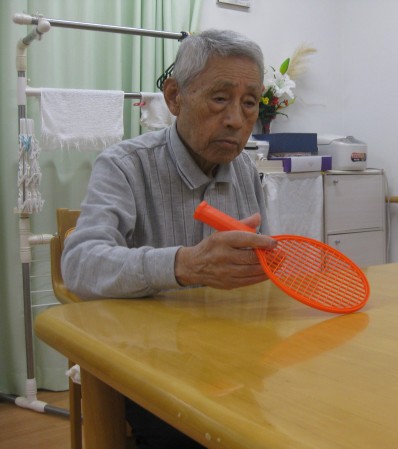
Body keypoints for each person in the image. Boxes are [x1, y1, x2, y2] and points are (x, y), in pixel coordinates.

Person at [61, 29, 276, 449]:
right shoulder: (124, 166)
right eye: (220, 98)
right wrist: (183, 265)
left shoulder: (245, 170)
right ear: (175, 97)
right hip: (149, 365)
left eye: (249, 102)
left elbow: (261, 267)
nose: (236, 119)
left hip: (234, 359)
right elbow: (80, 263)